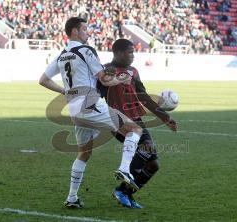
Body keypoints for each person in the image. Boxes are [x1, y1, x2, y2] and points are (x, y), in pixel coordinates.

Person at [39, 17, 144, 208]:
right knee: (134, 129)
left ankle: (72, 198)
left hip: (74, 109)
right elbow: (104, 80)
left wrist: (64, 91)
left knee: (84, 153)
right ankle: (124, 169)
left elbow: (43, 80)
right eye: (85, 29)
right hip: (90, 104)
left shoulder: (62, 55)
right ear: (75, 32)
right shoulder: (86, 50)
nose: (88, 33)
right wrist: (122, 79)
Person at [97, 39, 177, 208]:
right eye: (130, 52)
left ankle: (125, 192)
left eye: (133, 52)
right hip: (118, 120)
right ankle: (123, 184)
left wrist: (165, 118)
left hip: (136, 119)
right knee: (146, 146)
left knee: (153, 165)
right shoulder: (106, 70)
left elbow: (144, 97)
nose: (133, 56)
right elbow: (97, 94)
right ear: (118, 52)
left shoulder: (133, 71)